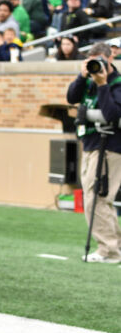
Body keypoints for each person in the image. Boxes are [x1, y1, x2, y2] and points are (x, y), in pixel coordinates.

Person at [66, 42, 121, 263]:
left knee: (96, 198)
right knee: (97, 198)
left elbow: (111, 114)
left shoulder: (116, 84)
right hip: (89, 144)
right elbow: (71, 97)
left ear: (109, 59)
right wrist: (82, 76)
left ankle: (108, 250)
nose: (95, 65)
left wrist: (102, 85)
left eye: (99, 60)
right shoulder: (88, 79)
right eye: (91, 60)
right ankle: (115, 247)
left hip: (109, 147)